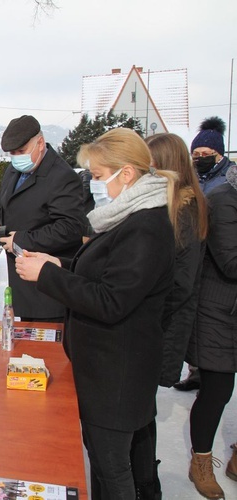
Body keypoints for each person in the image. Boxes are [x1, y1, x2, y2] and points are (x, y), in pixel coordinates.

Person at [15, 127, 176, 498]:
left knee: (111, 469)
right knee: (122, 464)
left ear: (128, 174)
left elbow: (111, 300)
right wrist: (59, 263)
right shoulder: (129, 216)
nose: (96, 185)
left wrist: (48, 276)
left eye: (100, 177)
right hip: (111, 368)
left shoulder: (145, 226)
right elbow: (108, 273)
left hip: (116, 375)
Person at [129, 133, 209, 499]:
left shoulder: (185, 214)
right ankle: (142, 480)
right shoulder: (167, 207)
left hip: (159, 330)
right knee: (139, 412)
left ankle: (146, 485)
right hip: (152, 327)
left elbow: (180, 286)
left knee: (142, 415)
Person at [0, 115, 86, 322]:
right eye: (12, 153)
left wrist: (21, 240)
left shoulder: (62, 177)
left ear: (39, 143)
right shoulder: (13, 170)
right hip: (21, 283)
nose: (16, 158)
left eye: (21, 152)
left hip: (48, 291)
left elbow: (71, 227)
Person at [183, 162, 237, 499]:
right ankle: (201, 460)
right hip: (218, 310)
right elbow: (230, 260)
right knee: (218, 390)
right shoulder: (224, 198)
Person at [175, 116, 236, 392]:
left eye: (205, 154)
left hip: (219, 258)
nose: (199, 158)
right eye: (195, 154)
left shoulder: (227, 184)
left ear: (219, 154)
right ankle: (196, 372)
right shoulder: (195, 178)